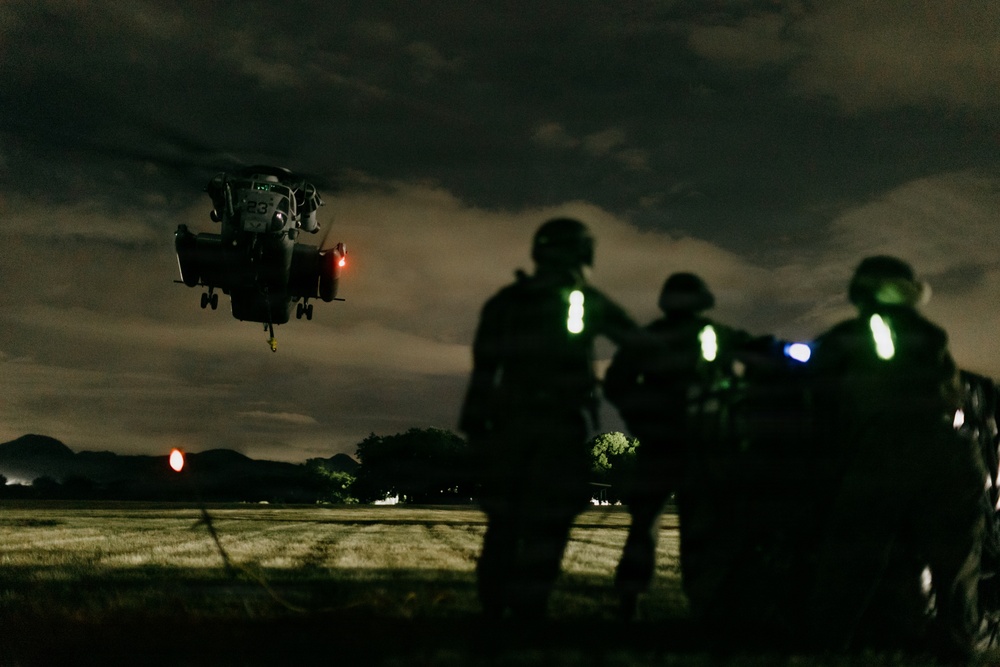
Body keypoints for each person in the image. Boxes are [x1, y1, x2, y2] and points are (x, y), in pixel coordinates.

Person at [807, 255, 987, 659]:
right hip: (949, 451)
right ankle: (956, 647)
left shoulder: (843, 338)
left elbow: (823, 399)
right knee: (955, 565)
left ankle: (829, 643)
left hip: (883, 452)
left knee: (853, 554)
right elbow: (951, 393)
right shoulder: (933, 337)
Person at [458, 217, 637, 620]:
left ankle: (494, 609)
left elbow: (484, 371)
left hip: (508, 424)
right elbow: (639, 343)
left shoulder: (505, 301)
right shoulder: (587, 300)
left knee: (504, 520)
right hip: (561, 425)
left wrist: (476, 430)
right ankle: (528, 609)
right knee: (550, 521)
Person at [604, 273, 752, 622]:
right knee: (656, 527)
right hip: (671, 444)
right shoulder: (657, 338)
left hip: (693, 445)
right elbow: (618, 384)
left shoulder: (671, 336)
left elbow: (616, 384)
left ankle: (671, 602)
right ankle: (639, 601)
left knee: (675, 527)